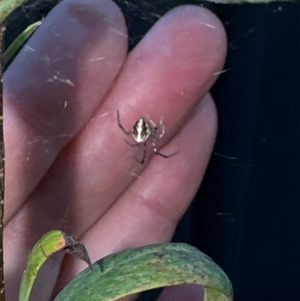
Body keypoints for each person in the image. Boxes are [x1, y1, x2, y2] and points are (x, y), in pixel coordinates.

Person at [3, 0, 227, 300]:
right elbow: (139, 131)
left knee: (154, 151)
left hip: (141, 129)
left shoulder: (144, 136)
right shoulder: (144, 135)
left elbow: (141, 132)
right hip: (139, 129)